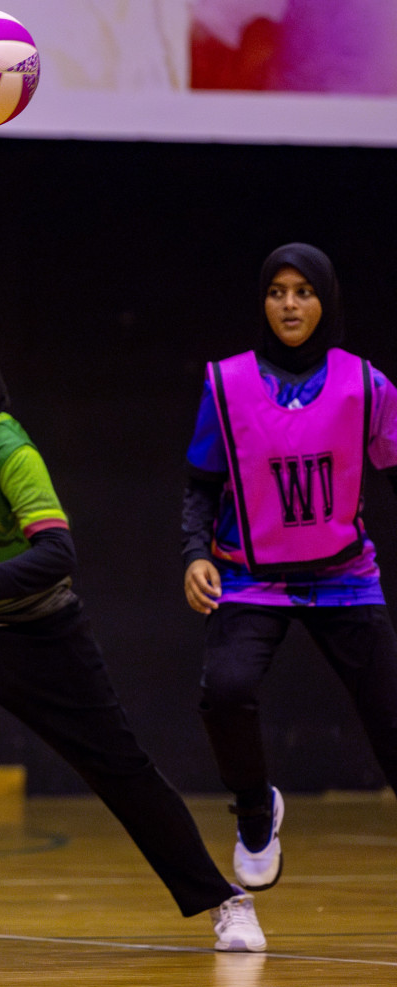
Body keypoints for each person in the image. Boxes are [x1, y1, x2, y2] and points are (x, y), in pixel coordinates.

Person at [0, 317, 265, 952]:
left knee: (119, 768)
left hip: (34, 629)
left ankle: (225, 900)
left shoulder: (8, 450)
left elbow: (59, 551)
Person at [182, 242, 397, 892]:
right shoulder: (227, 384)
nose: (289, 304)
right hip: (252, 575)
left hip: (343, 577)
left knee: (390, 716)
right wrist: (194, 554)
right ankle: (255, 813)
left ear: (325, 300)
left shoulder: (368, 386)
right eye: (277, 292)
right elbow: (200, 484)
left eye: (303, 292)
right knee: (225, 690)